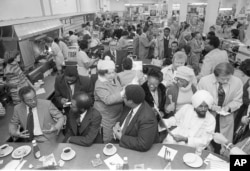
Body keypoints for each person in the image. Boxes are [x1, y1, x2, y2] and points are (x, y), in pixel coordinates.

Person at [198, 62, 243, 154]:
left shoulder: (237, 82)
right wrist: (210, 106)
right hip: (208, 115)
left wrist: (228, 107)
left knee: (222, 145)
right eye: (223, 79)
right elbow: (199, 98)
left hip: (226, 117)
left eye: (228, 78)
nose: (226, 81)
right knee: (204, 141)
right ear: (215, 76)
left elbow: (238, 100)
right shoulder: (204, 81)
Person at [113, 85, 159, 152]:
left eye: (124, 96)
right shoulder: (132, 103)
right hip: (119, 140)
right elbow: (123, 117)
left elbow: (143, 144)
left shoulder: (147, 118)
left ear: (130, 101)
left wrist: (120, 137)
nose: (122, 97)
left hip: (132, 149)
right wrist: (118, 123)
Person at [94, 59, 124, 143]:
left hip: (117, 115)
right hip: (107, 118)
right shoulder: (99, 84)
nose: (112, 75)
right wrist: (122, 93)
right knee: (108, 139)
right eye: (108, 73)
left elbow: (119, 89)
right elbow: (108, 99)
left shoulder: (114, 78)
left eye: (113, 72)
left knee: (117, 136)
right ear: (102, 73)